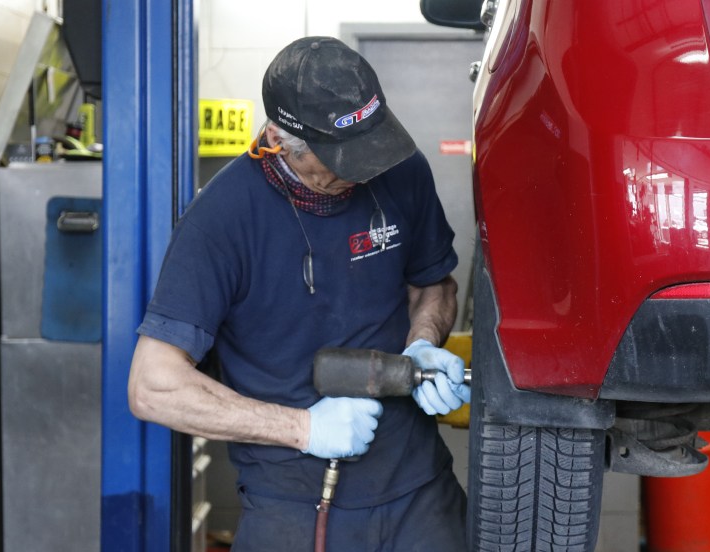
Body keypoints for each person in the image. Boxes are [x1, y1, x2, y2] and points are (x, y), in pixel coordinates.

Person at [127, 36, 471, 551]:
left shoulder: (401, 170)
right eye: (342, 158)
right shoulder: (221, 220)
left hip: (420, 492)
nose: (364, 170)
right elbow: (152, 385)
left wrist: (423, 344)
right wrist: (305, 428)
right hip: (291, 503)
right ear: (277, 139)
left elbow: (433, 283)